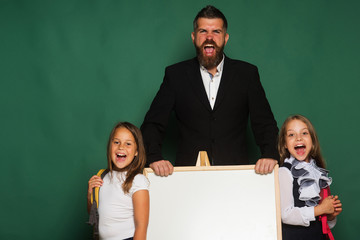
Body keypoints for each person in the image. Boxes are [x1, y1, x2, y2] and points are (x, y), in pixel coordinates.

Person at [141, 5, 279, 176]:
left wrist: (270, 154)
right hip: (188, 177)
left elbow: (265, 123)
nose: (209, 37)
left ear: (225, 38)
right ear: (193, 37)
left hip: (236, 175)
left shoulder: (247, 74)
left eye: (216, 32)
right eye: (203, 31)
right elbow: (152, 124)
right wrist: (154, 158)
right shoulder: (175, 75)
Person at [278, 114, 342, 240]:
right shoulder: (284, 172)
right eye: (291, 134)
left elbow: (324, 224)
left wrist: (330, 215)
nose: (298, 138)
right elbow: (285, 215)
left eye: (304, 133)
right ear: (285, 144)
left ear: (312, 140)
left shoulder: (318, 172)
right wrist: (320, 209)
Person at [87, 122, 150, 240]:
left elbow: (141, 226)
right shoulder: (103, 176)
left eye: (128, 144)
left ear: (136, 152)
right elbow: (93, 213)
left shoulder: (138, 181)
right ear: (110, 146)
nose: (121, 147)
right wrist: (90, 195)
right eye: (116, 142)